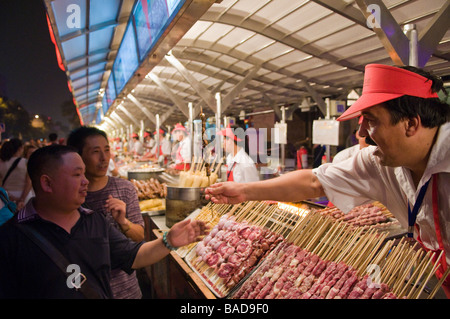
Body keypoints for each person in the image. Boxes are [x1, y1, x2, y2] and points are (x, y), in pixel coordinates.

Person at [205, 64, 450, 297]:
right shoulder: (379, 163)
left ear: (410, 124)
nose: (362, 134)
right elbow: (314, 182)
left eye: (372, 120)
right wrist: (244, 191)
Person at [0, 145, 208, 299]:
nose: (85, 181)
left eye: (84, 173)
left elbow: (133, 256)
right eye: (76, 175)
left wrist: (168, 241)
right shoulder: (11, 238)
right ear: (47, 183)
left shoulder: (94, 221)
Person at [67, 126, 144, 299]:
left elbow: (140, 237)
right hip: (86, 290)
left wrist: (124, 222)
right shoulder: (70, 196)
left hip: (127, 291)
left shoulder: (125, 189)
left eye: (107, 150)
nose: (104, 158)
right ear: (78, 156)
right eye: (95, 152)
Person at [0, 138, 32, 209]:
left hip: (6, 196)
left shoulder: (1, 162)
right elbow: (29, 182)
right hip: (24, 196)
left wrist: (9, 196)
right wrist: (22, 199)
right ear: (20, 148)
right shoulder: (25, 162)